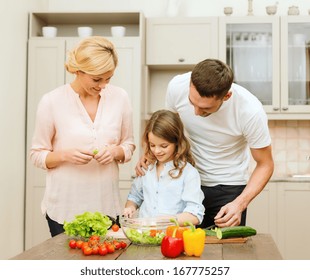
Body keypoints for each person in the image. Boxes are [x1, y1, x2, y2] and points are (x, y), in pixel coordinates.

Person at [136, 58, 274, 229]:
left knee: (225, 253)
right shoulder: (176, 86)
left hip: (227, 188)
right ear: (190, 85)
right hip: (184, 181)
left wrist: (239, 204)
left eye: (205, 109)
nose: (195, 112)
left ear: (227, 96)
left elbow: (265, 164)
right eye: (192, 102)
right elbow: (169, 131)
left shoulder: (250, 111)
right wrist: (150, 154)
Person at [30, 36, 135, 237]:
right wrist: (65, 155)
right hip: (64, 209)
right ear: (78, 70)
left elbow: (128, 145)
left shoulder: (120, 98)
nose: (103, 85)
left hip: (107, 208)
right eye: (97, 79)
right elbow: (37, 154)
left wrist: (115, 152)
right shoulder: (51, 101)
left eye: (109, 78)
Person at [124, 109, 205, 225]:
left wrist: (160, 221)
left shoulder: (189, 173)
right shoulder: (147, 167)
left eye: (164, 146)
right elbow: (134, 196)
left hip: (173, 237)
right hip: (145, 235)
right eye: (152, 145)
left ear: (177, 142)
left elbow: (194, 215)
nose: (157, 151)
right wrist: (130, 207)